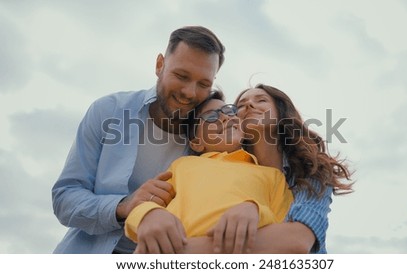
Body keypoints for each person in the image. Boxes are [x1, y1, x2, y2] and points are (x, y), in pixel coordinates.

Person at [51, 26, 226, 254]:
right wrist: (125, 206)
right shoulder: (109, 111)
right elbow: (65, 198)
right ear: (159, 65)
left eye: (204, 84)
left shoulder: (211, 140)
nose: (190, 92)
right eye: (181, 76)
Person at [170, 84, 353, 254]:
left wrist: (178, 252)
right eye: (240, 105)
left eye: (261, 100)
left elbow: (298, 239)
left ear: (281, 114)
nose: (249, 104)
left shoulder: (311, 171)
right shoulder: (221, 169)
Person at [124, 92, 293, 254]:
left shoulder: (272, 176)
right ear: (196, 142)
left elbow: (287, 230)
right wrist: (149, 214)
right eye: (212, 117)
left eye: (230, 111)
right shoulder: (183, 165)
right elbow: (146, 204)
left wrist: (255, 209)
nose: (226, 117)